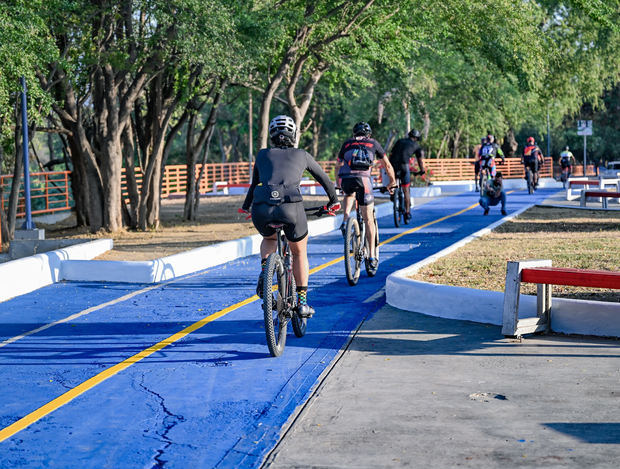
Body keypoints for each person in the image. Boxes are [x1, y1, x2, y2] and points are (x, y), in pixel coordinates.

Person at [240, 115, 340, 318]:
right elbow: (324, 179)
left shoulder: (261, 155)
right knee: (299, 253)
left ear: (272, 136)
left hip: (262, 208)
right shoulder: (302, 154)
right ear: (293, 135)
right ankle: (302, 303)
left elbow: (254, 184)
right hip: (291, 208)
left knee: (269, 239)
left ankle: (265, 270)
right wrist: (333, 201)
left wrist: (246, 207)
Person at [337, 121, 396, 273]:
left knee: (349, 193)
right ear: (368, 134)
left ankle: (345, 220)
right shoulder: (373, 143)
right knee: (369, 219)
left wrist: (338, 183)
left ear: (354, 133)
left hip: (346, 179)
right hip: (363, 181)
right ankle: (372, 257)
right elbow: (387, 166)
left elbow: (338, 165)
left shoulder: (347, 143)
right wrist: (392, 182)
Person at [388, 129, 425, 222]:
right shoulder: (416, 145)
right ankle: (407, 212)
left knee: (394, 180)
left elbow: (391, 154)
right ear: (416, 138)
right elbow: (420, 160)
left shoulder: (400, 141)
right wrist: (422, 170)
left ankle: (393, 193)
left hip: (393, 165)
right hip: (404, 166)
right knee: (406, 190)